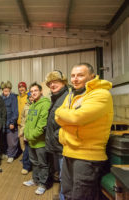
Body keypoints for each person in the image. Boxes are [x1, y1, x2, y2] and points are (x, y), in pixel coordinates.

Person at [55, 63, 113, 200]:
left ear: (92, 76)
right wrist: (66, 116)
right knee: (68, 193)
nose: (75, 79)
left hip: (87, 156)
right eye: (73, 76)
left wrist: (62, 113)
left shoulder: (101, 94)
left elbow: (77, 117)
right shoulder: (72, 95)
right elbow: (58, 118)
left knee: (81, 196)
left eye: (80, 75)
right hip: (69, 151)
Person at [44, 70, 69, 200]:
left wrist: (56, 134)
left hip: (62, 144)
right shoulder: (56, 98)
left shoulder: (67, 97)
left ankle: (63, 197)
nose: (52, 85)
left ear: (63, 82)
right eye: (50, 83)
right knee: (61, 174)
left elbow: (69, 122)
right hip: (56, 144)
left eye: (56, 82)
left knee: (64, 176)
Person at [23, 82, 51, 195]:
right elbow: (28, 122)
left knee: (43, 164)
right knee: (34, 162)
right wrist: (26, 133)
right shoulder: (33, 104)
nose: (33, 93)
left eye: (35, 90)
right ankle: (35, 180)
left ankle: (42, 184)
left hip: (41, 142)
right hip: (31, 141)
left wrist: (30, 135)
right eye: (31, 91)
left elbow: (42, 126)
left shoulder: (45, 104)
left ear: (40, 91)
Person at [1, 81, 18, 163]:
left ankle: (11, 155)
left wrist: (12, 122)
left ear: (10, 90)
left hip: (10, 122)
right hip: (3, 123)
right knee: (4, 140)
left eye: (7, 90)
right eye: (4, 90)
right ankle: (6, 153)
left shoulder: (13, 98)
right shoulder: (1, 98)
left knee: (12, 141)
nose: (6, 92)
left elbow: (15, 111)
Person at [19, 92, 33, 175]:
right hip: (27, 131)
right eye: (29, 97)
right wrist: (21, 131)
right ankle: (25, 166)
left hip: (35, 132)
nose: (31, 98)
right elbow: (23, 119)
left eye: (32, 97)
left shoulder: (39, 105)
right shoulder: (26, 106)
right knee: (26, 150)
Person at [17, 82, 28, 152]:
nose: (21, 89)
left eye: (23, 87)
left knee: (27, 140)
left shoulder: (29, 96)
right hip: (19, 123)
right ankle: (24, 155)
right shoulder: (17, 97)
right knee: (21, 141)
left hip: (27, 123)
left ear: (25, 88)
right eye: (20, 87)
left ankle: (29, 156)